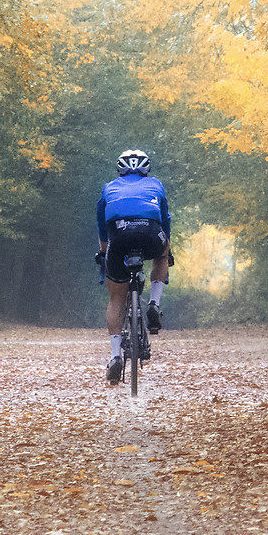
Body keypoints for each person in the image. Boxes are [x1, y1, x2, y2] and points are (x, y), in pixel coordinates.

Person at [96, 148, 171, 384]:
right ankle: (154, 304)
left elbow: (102, 226)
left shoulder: (109, 187)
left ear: (120, 169)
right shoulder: (156, 185)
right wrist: (166, 246)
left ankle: (115, 356)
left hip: (119, 235)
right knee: (163, 255)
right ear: (146, 169)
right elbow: (165, 219)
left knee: (117, 297)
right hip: (150, 232)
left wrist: (104, 253)